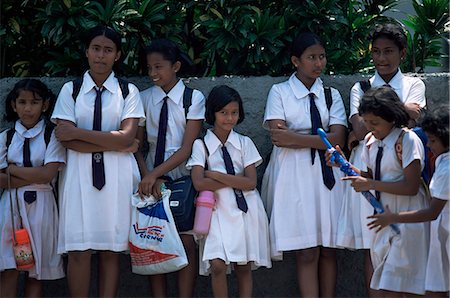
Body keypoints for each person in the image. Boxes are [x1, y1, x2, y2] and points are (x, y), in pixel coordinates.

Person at [51, 25, 145, 297]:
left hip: (117, 179)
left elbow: (127, 137)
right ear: (86, 51)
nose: (101, 56)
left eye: (108, 50)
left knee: (110, 250)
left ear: (117, 55)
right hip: (79, 178)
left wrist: (78, 133)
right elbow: (64, 140)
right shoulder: (72, 90)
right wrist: (115, 141)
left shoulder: (128, 91)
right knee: (79, 250)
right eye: (96, 48)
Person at [340, 22, 427, 296]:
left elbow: (414, 117)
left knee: (410, 274)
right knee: (377, 255)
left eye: (388, 51)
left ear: (402, 52)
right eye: (376, 52)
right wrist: (402, 110)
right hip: (379, 196)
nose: (381, 58)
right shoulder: (361, 92)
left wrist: (386, 109)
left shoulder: (413, 88)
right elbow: (359, 129)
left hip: (404, 205)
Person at [261, 32, 347, 297]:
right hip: (293, 177)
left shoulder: (330, 95)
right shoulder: (280, 92)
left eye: (321, 56)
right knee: (307, 250)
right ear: (296, 61)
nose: (318, 63)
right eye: (311, 57)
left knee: (329, 248)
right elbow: (279, 138)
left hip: (327, 177)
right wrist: (317, 138)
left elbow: (338, 138)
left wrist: (295, 137)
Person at [134, 38, 205, 297]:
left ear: (175, 66)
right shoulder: (142, 99)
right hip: (150, 182)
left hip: (182, 178)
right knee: (154, 241)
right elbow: (138, 146)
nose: (153, 73)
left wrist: (156, 174)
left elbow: (187, 148)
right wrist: (148, 177)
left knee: (186, 240)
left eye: (159, 67)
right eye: (149, 68)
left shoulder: (192, 98)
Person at [187, 85, 271, 297]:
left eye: (234, 112)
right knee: (217, 264)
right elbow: (198, 183)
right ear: (212, 113)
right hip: (214, 210)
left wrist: (215, 175)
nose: (229, 118)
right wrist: (235, 180)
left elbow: (251, 183)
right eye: (223, 112)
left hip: (244, 210)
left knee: (243, 265)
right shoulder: (201, 146)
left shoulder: (244, 143)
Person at [367, 105, 449, 297]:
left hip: (443, 233)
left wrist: (393, 218)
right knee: (435, 288)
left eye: (434, 141)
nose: (429, 145)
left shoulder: (447, 169)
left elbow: (432, 212)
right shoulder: (443, 161)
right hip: (441, 235)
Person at [0, 78, 65, 297]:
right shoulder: (5, 138)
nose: (28, 108)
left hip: (42, 208)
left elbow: (47, 174)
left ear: (45, 105)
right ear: (13, 105)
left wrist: (11, 170)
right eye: (22, 102)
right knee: (9, 267)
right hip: (10, 207)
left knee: (36, 271)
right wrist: (34, 175)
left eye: (35, 102)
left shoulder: (52, 136)